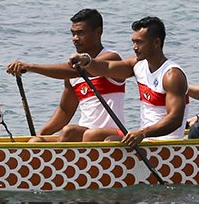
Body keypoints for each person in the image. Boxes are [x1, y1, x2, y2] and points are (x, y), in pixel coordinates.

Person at [5, 8, 126, 142]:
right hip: (83, 135)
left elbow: (75, 71)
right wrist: (39, 136)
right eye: (73, 34)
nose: (75, 39)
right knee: (37, 142)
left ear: (98, 32)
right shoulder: (71, 73)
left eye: (80, 33)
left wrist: (30, 67)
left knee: (74, 132)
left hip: (114, 134)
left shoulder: (111, 59)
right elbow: (65, 111)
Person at [68, 16, 189, 148]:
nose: (135, 47)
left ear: (156, 43)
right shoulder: (137, 65)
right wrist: (87, 61)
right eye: (133, 42)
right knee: (98, 138)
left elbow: (175, 119)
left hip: (168, 145)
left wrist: (143, 133)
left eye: (139, 42)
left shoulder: (172, 75)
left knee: (109, 142)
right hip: (147, 141)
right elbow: (106, 67)